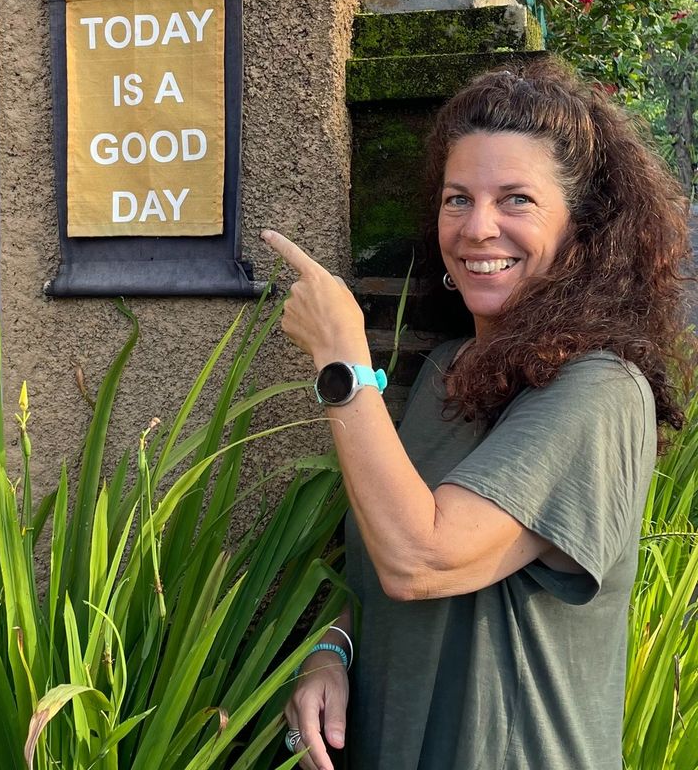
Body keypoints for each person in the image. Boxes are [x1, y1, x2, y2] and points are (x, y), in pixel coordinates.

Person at [262, 59, 691, 770]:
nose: (477, 228)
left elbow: (419, 560)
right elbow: (378, 562)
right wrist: (332, 649)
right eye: (457, 199)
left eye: (516, 199)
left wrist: (340, 356)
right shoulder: (445, 370)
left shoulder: (599, 390)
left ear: (583, 229)